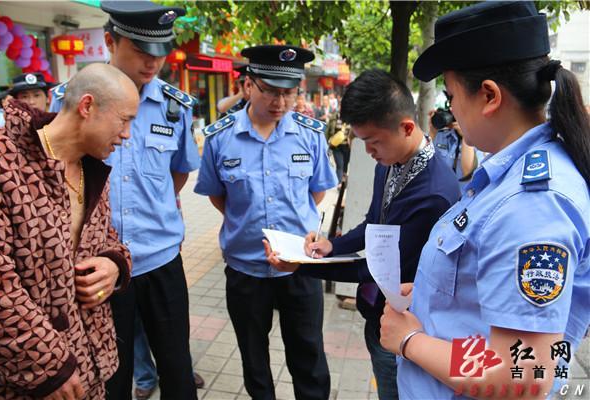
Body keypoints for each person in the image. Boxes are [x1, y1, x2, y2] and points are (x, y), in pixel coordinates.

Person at [379, 1, 590, 399]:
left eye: (452, 95)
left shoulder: (534, 204)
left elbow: (522, 373)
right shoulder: (508, 172)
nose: (452, 110)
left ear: (489, 96)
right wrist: (430, 293)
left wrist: (410, 341)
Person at [266, 69, 460, 399]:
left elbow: (379, 269)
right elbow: (374, 225)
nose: (369, 152)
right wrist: (332, 245)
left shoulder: (433, 194)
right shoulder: (390, 160)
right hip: (379, 313)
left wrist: (301, 266)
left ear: (407, 127)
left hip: (409, 326)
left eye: (373, 142)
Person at [49, 2, 202, 399]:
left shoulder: (175, 107)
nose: (153, 63)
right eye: (141, 51)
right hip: (97, 267)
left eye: (161, 52)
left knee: (177, 369)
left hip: (161, 259)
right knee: (110, 374)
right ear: (111, 41)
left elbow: (179, 171)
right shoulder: (71, 99)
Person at [195, 44, 337, 400]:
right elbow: (218, 196)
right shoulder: (220, 138)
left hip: (300, 268)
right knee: (254, 360)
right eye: (271, 91)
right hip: (246, 269)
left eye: (289, 93)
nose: (281, 102)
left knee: (308, 356)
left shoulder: (310, 134)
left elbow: (316, 193)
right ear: (248, 86)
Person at [0, 63, 137, 399]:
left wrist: (114, 264)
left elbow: (107, 238)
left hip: (91, 368)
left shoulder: (90, 167)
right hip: (27, 382)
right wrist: (48, 368)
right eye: (125, 119)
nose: (128, 134)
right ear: (87, 106)